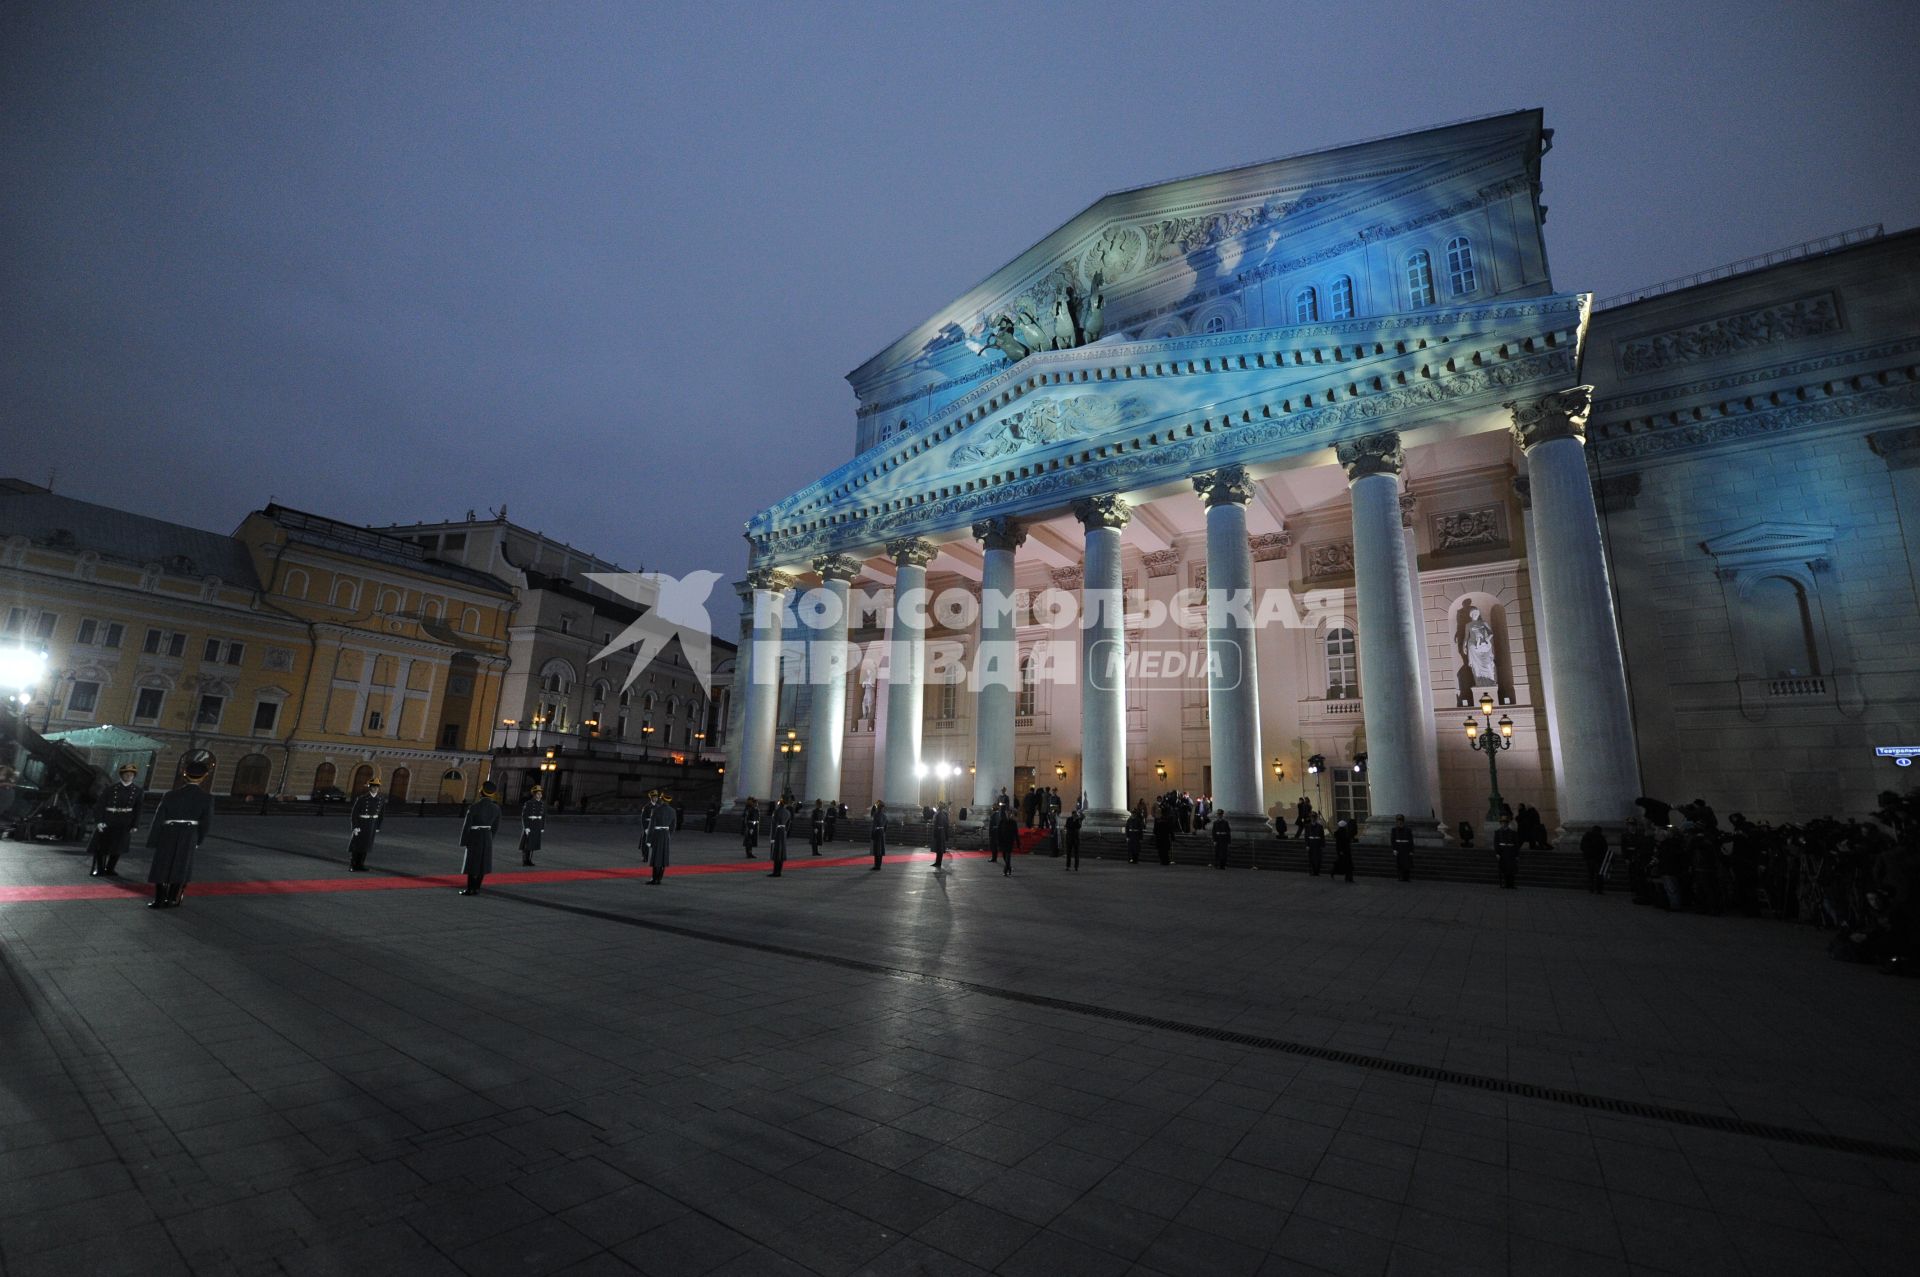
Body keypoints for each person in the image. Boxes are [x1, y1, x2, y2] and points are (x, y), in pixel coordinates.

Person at [145, 750, 215, 908]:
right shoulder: (207, 798)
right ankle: (173, 898)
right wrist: (199, 839)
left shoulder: (170, 795)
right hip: (189, 834)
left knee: (162, 865)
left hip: (168, 832)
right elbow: (206, 822)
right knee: (181, 866)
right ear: (203, 778)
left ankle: (159, 899)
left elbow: (158, 819)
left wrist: (153, 839)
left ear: (185, 775)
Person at [90, 762, 144, 877]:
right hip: (109, 819)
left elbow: (138, 809)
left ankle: (110, 869)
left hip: (125, 821)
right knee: (102, 846)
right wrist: (99, 821)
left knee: (118, 847)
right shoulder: (110, 789)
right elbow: (100, 806)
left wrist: (135, 825)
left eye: (131, 774)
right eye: (126, 774)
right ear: (121, 775)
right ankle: (99, 869)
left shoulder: (138, 791)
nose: (129, 776)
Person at [458, 781, 501, 895]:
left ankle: (470, 889)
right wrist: (490, 838)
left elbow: (467, 826)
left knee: (472, 862)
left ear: (481, 792)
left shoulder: (474, 807)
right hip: (487, 836)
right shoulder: (496, 808)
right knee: (483, 862)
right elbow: (495, 827)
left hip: (475, 836)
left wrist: (464, 841)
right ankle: (477, 888)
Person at [346, 777, 385, 872]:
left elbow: (381, 814)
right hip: (362, 823)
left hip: (372, 824)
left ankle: (361, 865)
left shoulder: (381, 799)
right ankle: (353, 865)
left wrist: (378, 826)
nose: (375, 788)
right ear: (369, 787)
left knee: (366, 846)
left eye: (377, 786)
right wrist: (355, 827)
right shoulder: (362, 798)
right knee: (357, 845)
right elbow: (354, 814)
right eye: (373, 786)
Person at [645, 795, 673, 884]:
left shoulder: (656, 810)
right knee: (663, 857)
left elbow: (651, 826)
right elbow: (673, 826)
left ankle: (654, 879)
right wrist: (668, 835)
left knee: (656, 857)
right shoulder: (672, 811)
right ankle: (659, 879)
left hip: (657, 835)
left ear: (662, 800)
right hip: (665, 835)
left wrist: (649, 840)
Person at [519, 784, 546, 867]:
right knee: (527, 844)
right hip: (530, 824)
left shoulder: (542, 804)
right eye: (538, 794)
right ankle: (525, 860)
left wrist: (542, 827)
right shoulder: (529, 803)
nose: (540, 795)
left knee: (533, 844)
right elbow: (524, 815)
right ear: (534, 794)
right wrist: (526, 827)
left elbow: (543, 817)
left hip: (537, 825)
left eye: (540, 794)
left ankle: (529, 860)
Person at [1493, 815, 1520, 889]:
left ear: (1507, 823)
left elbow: (1516, 844)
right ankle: (1506, 884)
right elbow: (1496, 843)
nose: (1504, 824)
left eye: (1505, 822)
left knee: (1511, 869)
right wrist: (1497, 853)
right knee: (1504, 868)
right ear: (1500, 823)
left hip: (1511, 852)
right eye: (1502, 822)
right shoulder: (1498, 832)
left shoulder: (1513, 833)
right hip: (1502, 852)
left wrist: (1517, 854)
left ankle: (1511, 884)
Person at [1581, 825, 1609, 894]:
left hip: (1590, 858)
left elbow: (1582, 847)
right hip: (1598, 859)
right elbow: (1605, 847)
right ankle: (1599, 889)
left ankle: (1591, 888)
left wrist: (1587, 854)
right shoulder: (1600, 837)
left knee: (1591, 874)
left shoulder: (1587, 836)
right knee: (1599, 875)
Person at [768, 799, 790, 877]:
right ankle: (779, 871)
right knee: (781, 853)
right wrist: (785, 831)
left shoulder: (776, 812)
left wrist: (772, 837)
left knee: (777, 853)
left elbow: (774, 824)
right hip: (783, 832)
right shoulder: (787, 812)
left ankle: (775, 871)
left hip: (777, 832)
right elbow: (788, 823)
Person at [1390, 814, 1414, 882]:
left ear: (1403, 821)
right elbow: (1392, 840)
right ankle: (1400, 877)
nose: (1400, 822)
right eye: (1398, 820)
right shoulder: (1394, 830)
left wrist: (1411, 850)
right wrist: (1394, 849)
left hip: (1406, 848)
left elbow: (1411, 840)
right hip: (1398, 848)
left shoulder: (1408, 829)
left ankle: (1406, 877)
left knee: (1407, 864)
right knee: (1399, 864)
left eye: (1401, 820)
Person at [931, 802, 951, 872]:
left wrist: (945, 834)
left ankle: (939, 863)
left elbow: (946, 824)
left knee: (940, 848)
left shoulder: (943, 814)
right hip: (939, 831)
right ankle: (937, 862)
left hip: (940, 832)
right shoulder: (938, 813)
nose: (938, 806)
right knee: (938, 848)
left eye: (939, 805)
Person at [1332, 819, 1354, 883]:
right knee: (1347, 865)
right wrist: (1340, 851)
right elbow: (1339, 843)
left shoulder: (1342, 832)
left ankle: (1349, 878)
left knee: (1347, 865)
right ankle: (1348, 878)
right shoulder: (1342, 833)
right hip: (1344, 851)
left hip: (1345, 851)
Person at [869, 801, 886, 869]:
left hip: (877, 833)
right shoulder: (885, 816)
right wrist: (883, 832)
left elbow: (874, 825)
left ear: (878, 808)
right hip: (882, 833)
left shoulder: (876, 815)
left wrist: (872, 833)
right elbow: (886, 826)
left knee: (876, 850)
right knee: (881, 850)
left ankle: (876, 866)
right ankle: (879, 865)